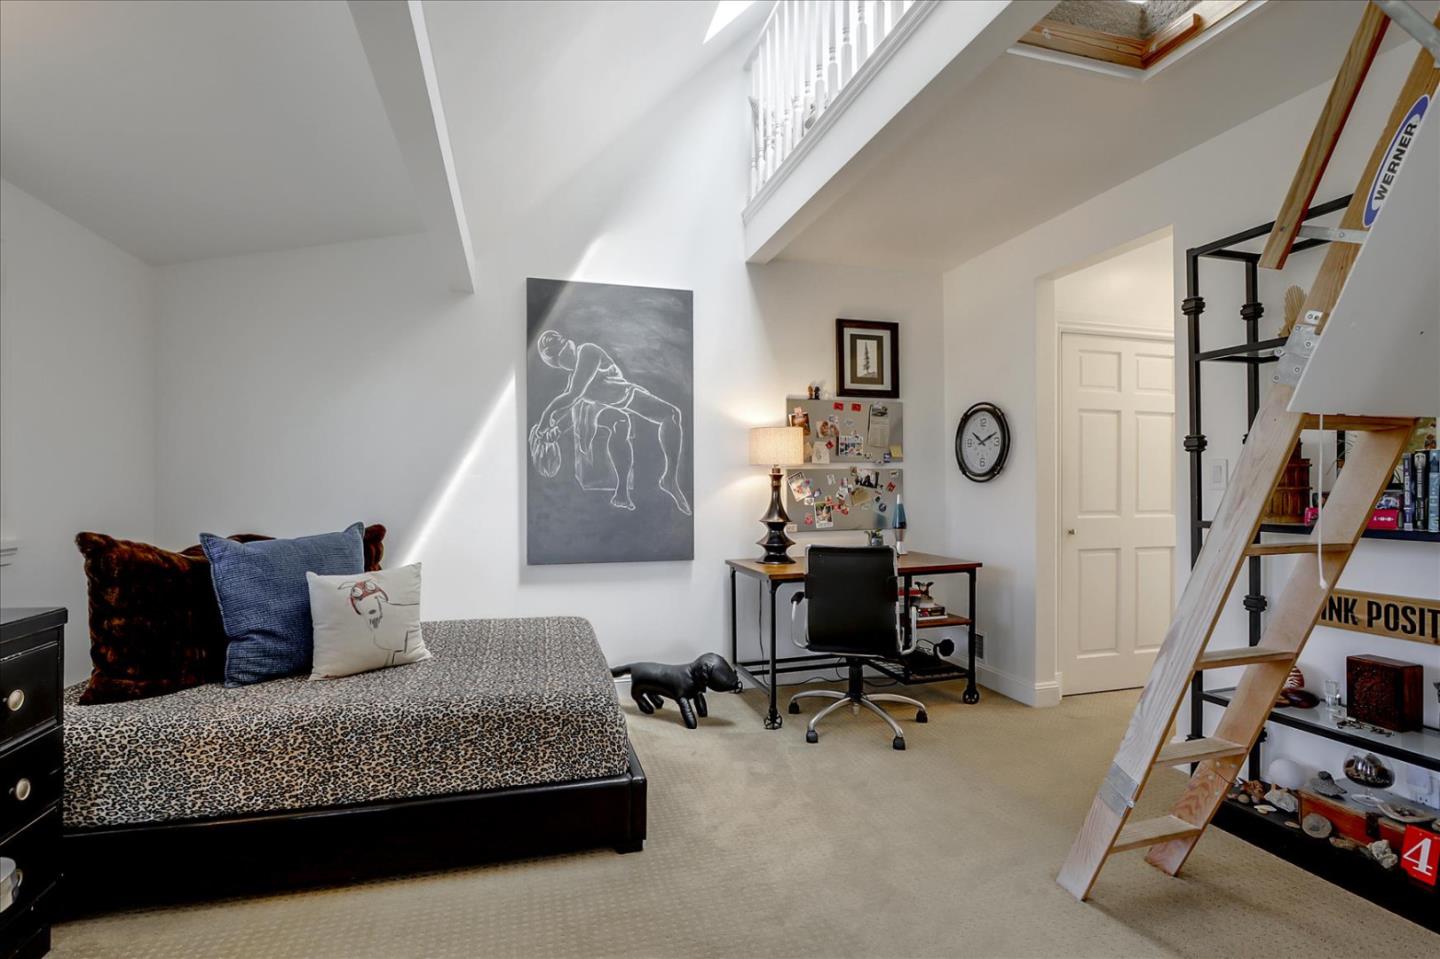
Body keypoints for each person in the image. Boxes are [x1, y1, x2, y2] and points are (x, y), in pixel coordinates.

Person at [529, 330, 692, 516]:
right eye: (561, 361)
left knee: (671, 415)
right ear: (559, 365)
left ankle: (669, 478)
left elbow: (573, 395)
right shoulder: (574, 376)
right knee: (620, 423)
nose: (566, 361)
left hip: (626, 396)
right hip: (605, 408)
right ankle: (622, 491)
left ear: (570, 346)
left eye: (565, 352)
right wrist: (553, 429)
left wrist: (546, 417)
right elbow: (569, 405)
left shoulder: (588, 352)